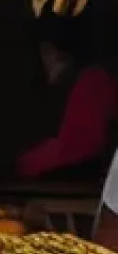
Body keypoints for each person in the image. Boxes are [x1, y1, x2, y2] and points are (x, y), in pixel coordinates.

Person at [17, 37, 117, 180]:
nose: (49, 59)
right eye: (45, 52)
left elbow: (80, 147)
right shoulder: (77, 85)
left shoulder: (93, 81)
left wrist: (26, 163)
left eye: (49, 51)